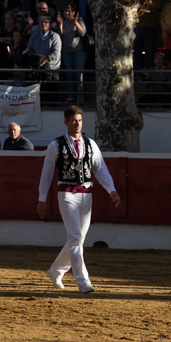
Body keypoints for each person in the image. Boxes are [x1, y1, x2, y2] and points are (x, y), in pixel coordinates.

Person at [36, 106, 121, 293]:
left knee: (77, 239)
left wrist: (111, 189)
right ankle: (83, 282)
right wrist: (42, 199)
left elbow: (100, 169)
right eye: (73, 120)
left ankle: (55, 270)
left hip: (86, 195)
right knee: (75, 238)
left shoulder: (91, 144)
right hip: (67, 194)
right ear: (66, 122)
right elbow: (47, 173)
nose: (77, 124)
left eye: (80, 120)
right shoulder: (55, 145)